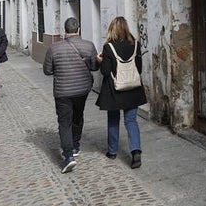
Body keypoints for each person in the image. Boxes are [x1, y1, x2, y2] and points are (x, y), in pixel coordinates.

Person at [42, 18, 99, 173]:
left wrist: (59, 69)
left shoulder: (54, 48)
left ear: (64, 31)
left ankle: (68, 156)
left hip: (63, 91)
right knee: (78, 117)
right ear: (78, 30)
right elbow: (94, 67)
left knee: (64, 122)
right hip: (82, 90)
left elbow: (47, 70)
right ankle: (75, 145)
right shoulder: (89, 46)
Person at [95, 16, 147, 168]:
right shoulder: (136, 45)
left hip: (114, 90)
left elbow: (105, 71)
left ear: (112, 29)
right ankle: (136, 151)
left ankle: (112, 151)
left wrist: (100, 61)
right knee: (131, 120)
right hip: (132, 89)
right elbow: (140, 68)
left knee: (113, 119)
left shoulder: (108, 47)